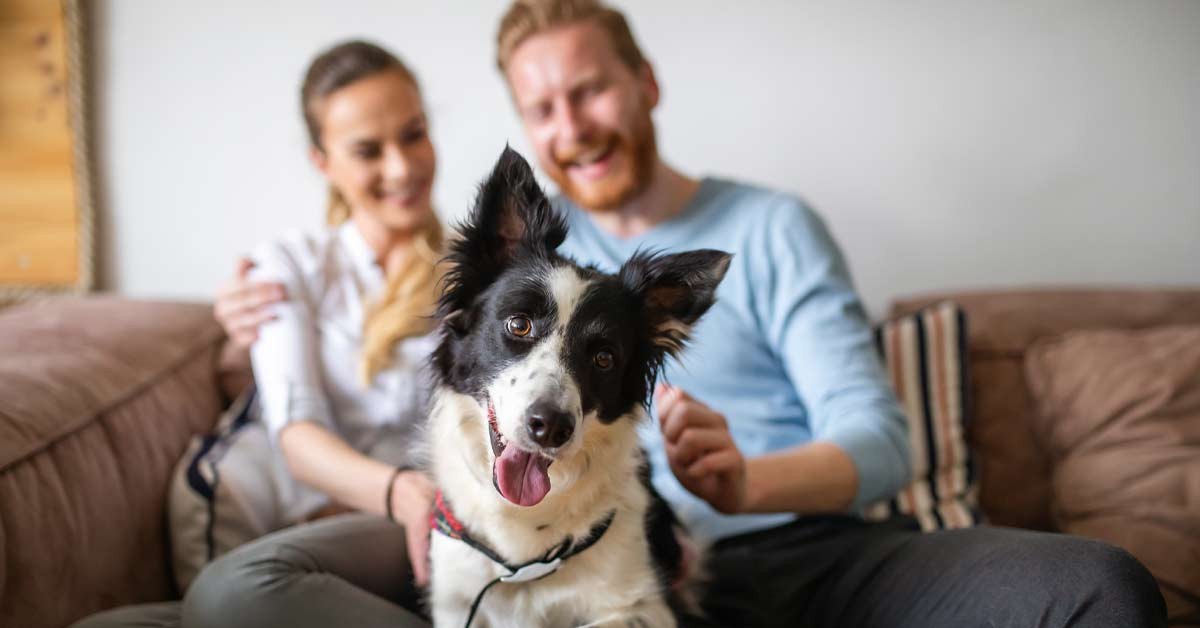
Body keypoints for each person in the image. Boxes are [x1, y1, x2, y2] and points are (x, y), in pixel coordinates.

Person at [96, 2, 1169, 627]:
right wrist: (246, 335)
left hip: (800, 547)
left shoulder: (769, 225)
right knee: (220, 602)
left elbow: (883, 437)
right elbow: (422, 315)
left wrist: (748, 479)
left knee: (1097, 587)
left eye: (591, 90)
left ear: (645, 82)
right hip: (562, 549)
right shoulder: (526, 264)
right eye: (542, 107)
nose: (572, 124)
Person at [72, 41, 442, 628]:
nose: (402, 168)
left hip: (418, 527)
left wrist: (409, 498)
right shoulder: (289, 266)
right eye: (368, 150)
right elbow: (298, 436)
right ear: (323, 162)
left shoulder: (480, 279)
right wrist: (394, 489)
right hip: (332, 523)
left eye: (414, 134)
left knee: (236, 594)